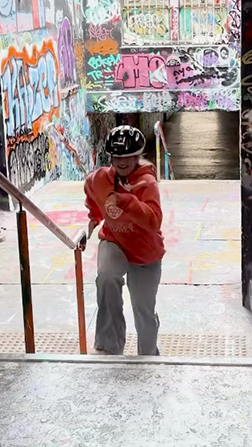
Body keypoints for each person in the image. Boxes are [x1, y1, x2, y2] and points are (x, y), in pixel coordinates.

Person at [79, 125, 165, 356]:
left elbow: (154, 220)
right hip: (114, 240)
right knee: (106, 277)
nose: (122, 162)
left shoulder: (146, 183)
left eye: (128, 157)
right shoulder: (99, 179)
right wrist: (95, 217)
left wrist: (126, 201)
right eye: (117, 157)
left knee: (143, 308)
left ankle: (148, 355)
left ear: (137, 157)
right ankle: (109, 344)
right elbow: (91, 191)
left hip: (145, 250)